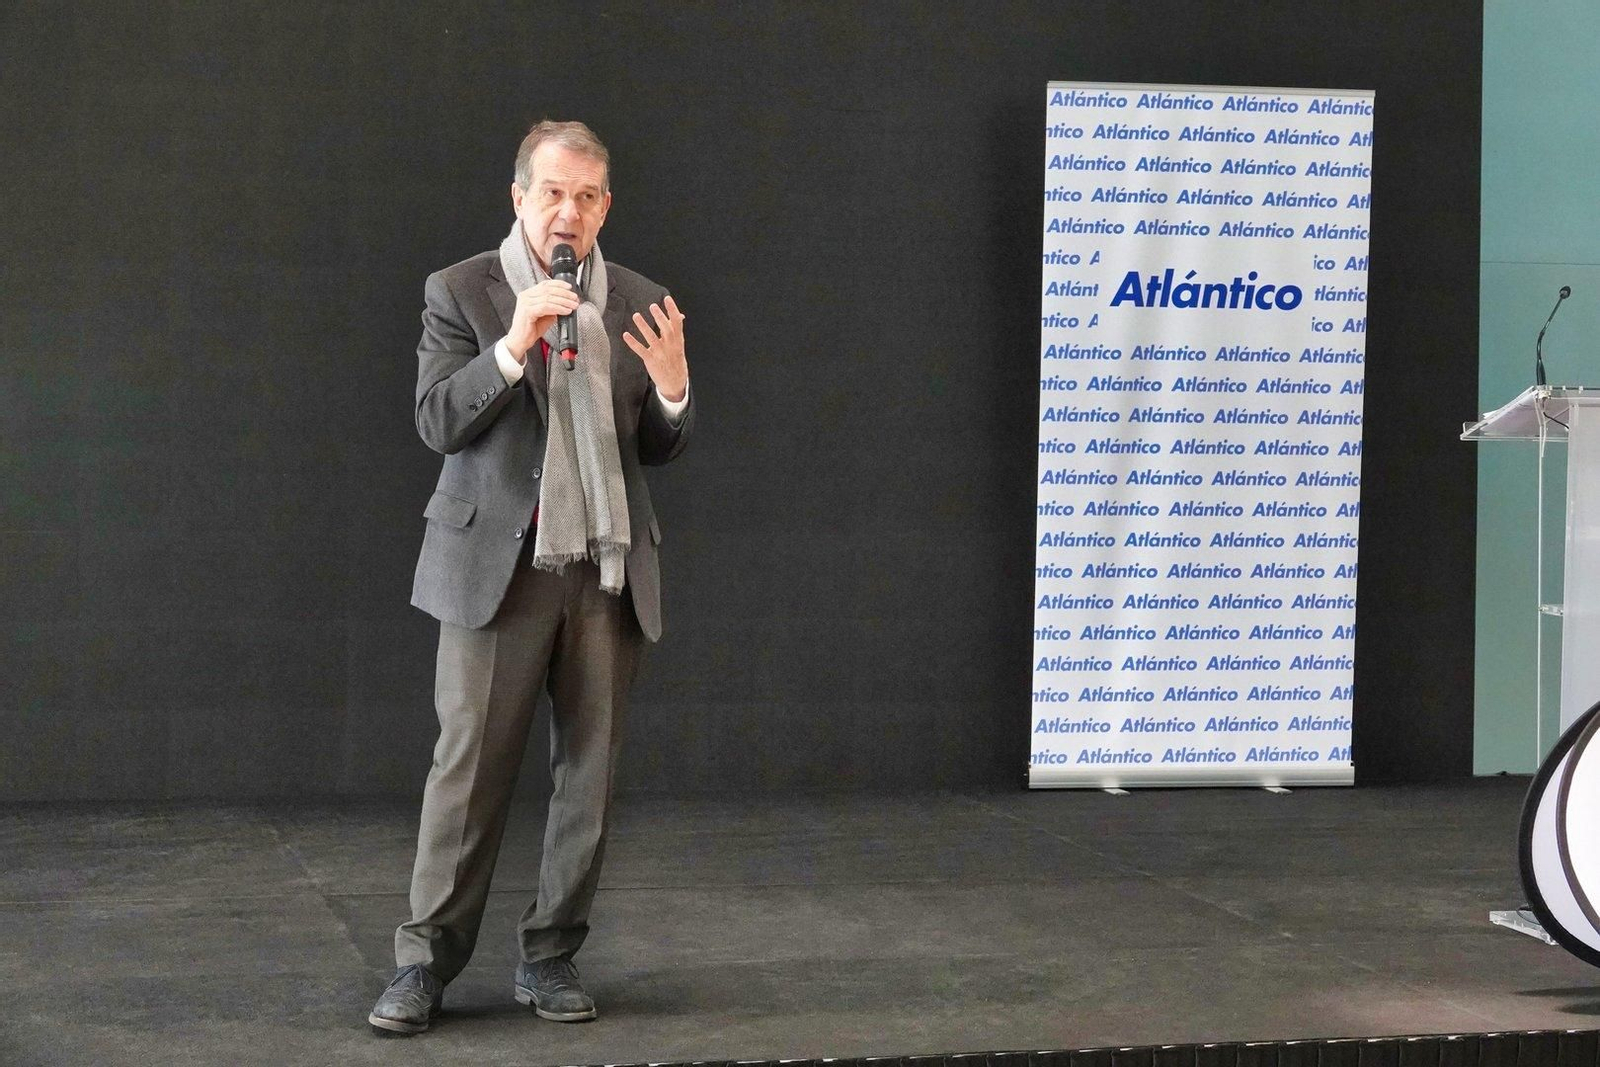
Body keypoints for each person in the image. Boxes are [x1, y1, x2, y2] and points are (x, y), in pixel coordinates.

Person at [368, 120, 694, 1035]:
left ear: (605, 209)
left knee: (587, 773)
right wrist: (512, 345)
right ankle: (424, 963)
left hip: (605, 567)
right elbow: (438, 419)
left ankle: (551, 955)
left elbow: (656, 446)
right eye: (553, 192)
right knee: (468, 770)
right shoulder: (462, 289)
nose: (569, 211)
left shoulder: (639, 299)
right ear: (520, 198)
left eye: (587, 197)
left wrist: (672, 390)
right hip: (498, 567)